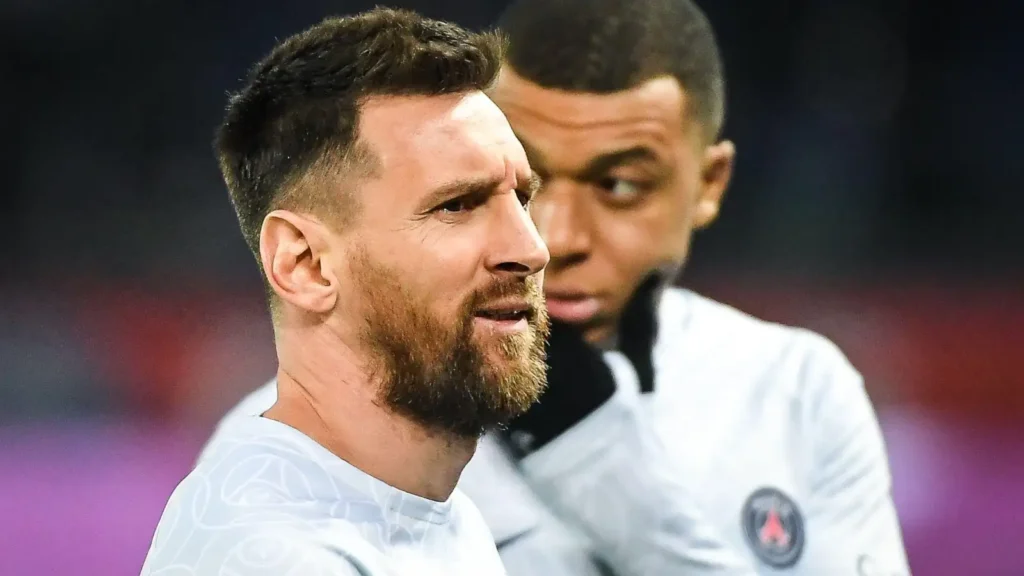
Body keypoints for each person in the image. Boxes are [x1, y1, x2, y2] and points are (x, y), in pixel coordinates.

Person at [206, 0, 912, 574]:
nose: (548, 240)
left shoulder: (795, 389)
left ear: (709, 183)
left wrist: (598, 459)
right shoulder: (319, 463)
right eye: (462, 201)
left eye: (621, 185)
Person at [141, 8, 552, 576]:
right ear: (305, 265)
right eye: (457, 205)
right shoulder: (276, 556)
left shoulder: (431, 515)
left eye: (522, 199)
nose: (531, 249)